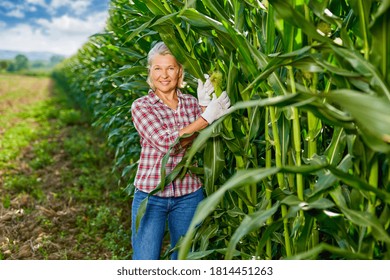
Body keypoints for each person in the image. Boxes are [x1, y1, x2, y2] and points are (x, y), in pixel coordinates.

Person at [130, 41, 231, 260]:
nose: (164, 75)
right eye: (158, 68)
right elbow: (167, 145)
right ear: (150, 72)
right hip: (152, 194)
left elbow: (204, 140)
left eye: (170, 68)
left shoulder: (191, 103)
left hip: (189, 195)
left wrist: (205, 107)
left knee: (186, 262)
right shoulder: (141, 106)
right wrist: (205, 118)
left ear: (179, 72)